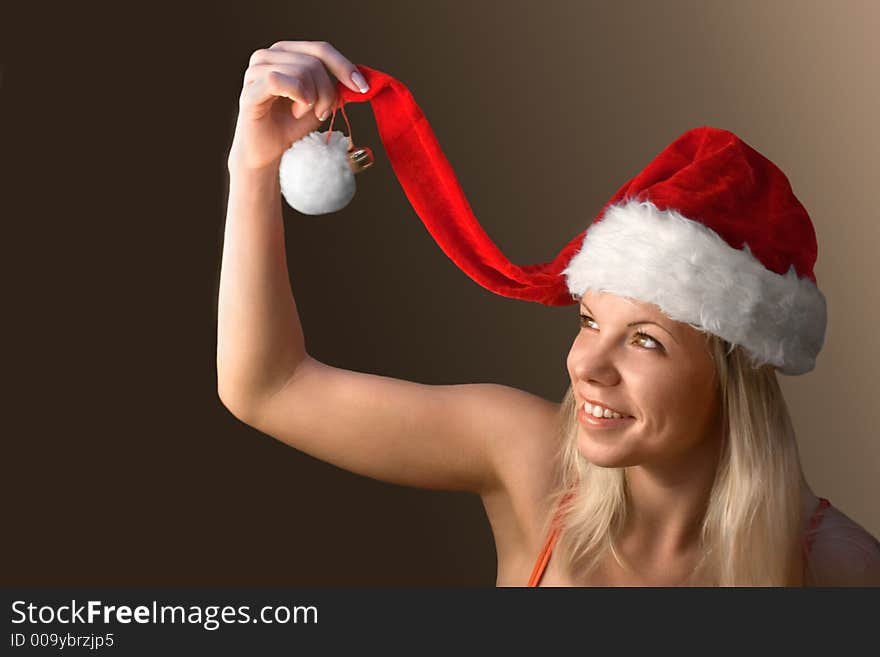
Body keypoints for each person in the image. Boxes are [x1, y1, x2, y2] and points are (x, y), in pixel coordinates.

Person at [217, 40, 880, 586]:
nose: (587, 365)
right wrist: (251, 167)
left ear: (734, 373)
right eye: (590, 321)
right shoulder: (529, 461)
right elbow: (268, 385)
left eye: (645, 341)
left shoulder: (840, 569)